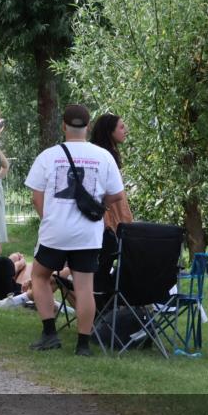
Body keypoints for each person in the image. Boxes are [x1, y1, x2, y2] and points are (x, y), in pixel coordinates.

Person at [24, 104, 127, 357]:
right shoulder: (103, 156)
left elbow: (36, 197)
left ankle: (50, 333)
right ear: (88, 126)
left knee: (39, 276)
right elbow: (117, 195)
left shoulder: (48, 156)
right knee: (84, 287)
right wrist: (99, 205)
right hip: (88, 232)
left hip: (55, 231)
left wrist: (49, 218)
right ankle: (83, 344)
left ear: (63, 126)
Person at [90, 113, 134, 232]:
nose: (126, 131)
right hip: (106, 217)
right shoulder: (100, 155)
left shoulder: (108, 152)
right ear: (109, 131)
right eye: (121, 127)